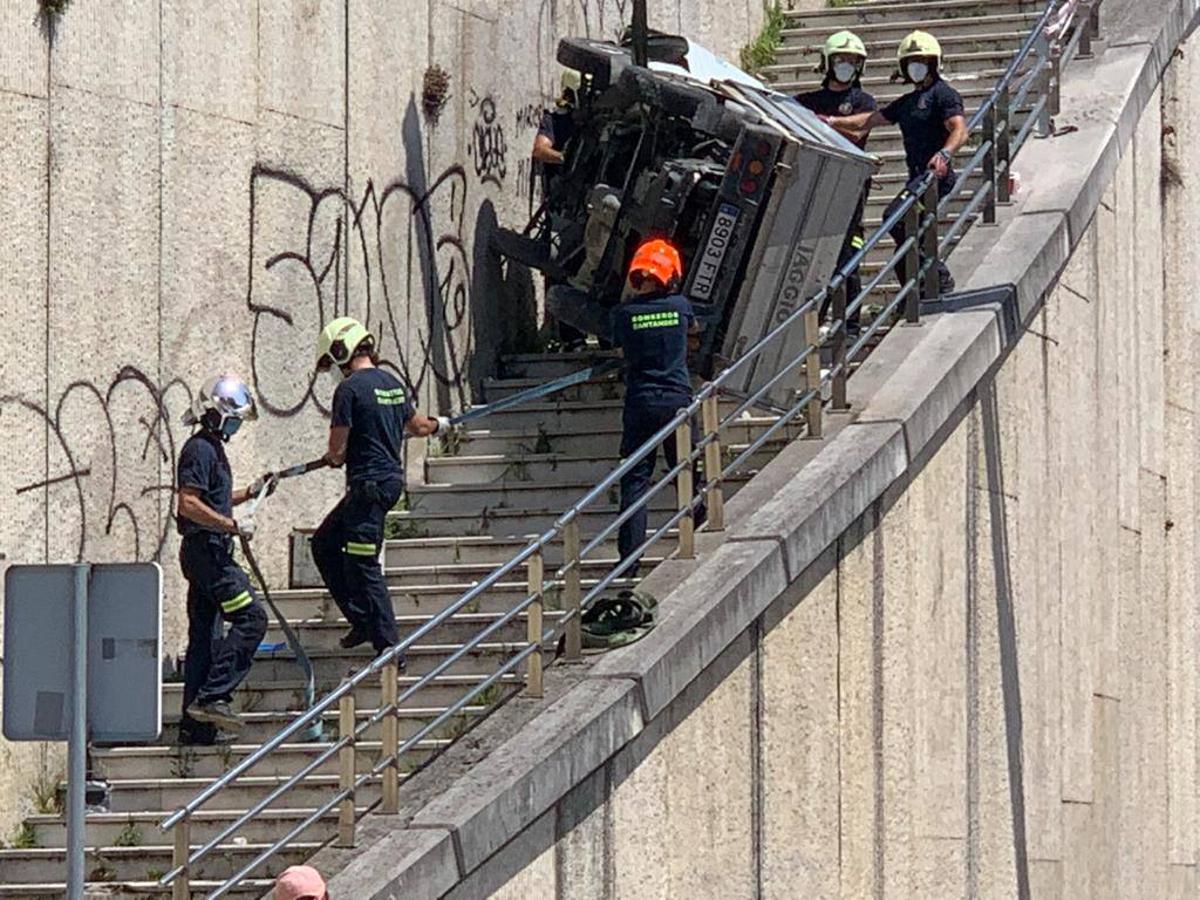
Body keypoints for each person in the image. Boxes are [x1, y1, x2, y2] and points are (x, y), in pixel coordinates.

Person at [311, 317, 452, 657]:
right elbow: (418, 426)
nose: (333, 369)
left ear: (341, 351)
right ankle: (361, 621)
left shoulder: (349, 390)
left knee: (363, 564)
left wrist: (333, 457)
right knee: (324, 544)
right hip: (387, 483)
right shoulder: (391, 382)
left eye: (331, 361)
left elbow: (337, 449)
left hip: (368, 486)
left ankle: (389, 646)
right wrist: (440, 424)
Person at [825, 30, 968, 294]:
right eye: (912, 62)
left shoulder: (943, 94)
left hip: (934, 177)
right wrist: (831, 121)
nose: (917, 67)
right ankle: (912, 294)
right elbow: (867, 121)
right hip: (916, 176)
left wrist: (945, 154)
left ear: (934, 64)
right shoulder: (907, 102)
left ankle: (939, 277)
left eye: (923, 61)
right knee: (907, 231)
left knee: (896, 218)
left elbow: (959, 129)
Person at [175, 375, 271, 742]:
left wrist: (249, 493)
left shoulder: (213, 449)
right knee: (251, 619)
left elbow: (211, 500)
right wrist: (231, 526)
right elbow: (188, 503)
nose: (236, 426)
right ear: (213, 414)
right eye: (233, 418)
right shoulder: (200, 449)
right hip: (208, 555)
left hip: (206, 552)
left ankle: (195, 728)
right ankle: (214, 696)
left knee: (205, 637)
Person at [611, 238, 705, 575]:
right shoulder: (680, 306)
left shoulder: (625, 314)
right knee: (688, 468)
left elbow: (620, 350)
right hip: (677, 401)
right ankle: (700, 527)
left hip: (641, 403)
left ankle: (629, 561)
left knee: (635, 480)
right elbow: (694, 331)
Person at [796, 30, 875, 335]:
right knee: (811, 262)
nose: (846, 65)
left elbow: (859, 130)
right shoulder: (805, 101)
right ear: (827, 62)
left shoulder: (862, 100)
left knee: (847, 255)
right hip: (813, 187)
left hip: (849, 189)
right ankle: (812, 324)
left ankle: (850, 324)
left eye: (853, 60)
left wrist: (826, 122)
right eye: (840, 59)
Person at [532, 69, 588, 350]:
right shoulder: (556, 121)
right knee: (563, 267)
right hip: (563, 211)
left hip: (589, 210)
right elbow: (540, 150)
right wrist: (568, 159)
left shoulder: (593, 124)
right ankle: (570, 337)